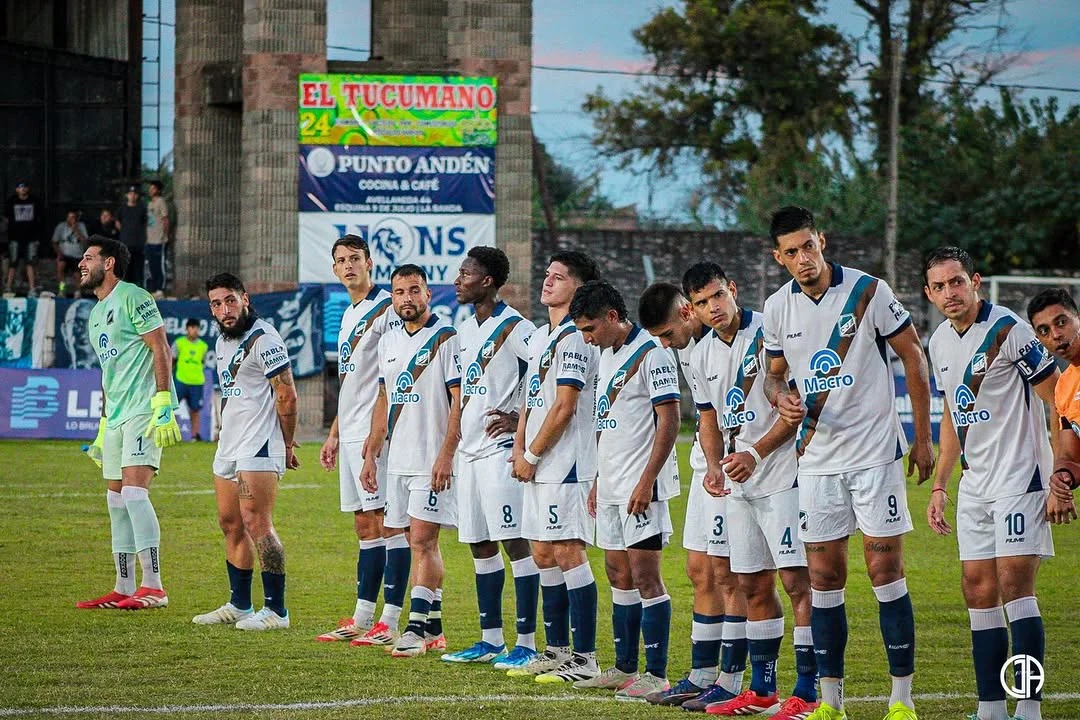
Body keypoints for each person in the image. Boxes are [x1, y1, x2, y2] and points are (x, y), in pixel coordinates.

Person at [762, 206, 934, 720]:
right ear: (779, 257)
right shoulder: (776, 308)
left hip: (875, 457)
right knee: (824, 578)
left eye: (807, 247)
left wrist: (921, 439)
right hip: (815, 461)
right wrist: (778, 397)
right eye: (790, 252)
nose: (802, 258)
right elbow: (773, 375)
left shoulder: (869, 292)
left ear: (822, 241)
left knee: (885, 571)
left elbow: (913, 359)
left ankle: (901, 699)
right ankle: (830, 701)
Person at [924, 248, 1060, 720]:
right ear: (929, 293)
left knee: (1015, 589)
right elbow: (950, 413)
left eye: (956, 282)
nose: (949, 293)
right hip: (975, 484)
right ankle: (990, 709)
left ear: (975, 282)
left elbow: (1059, 399)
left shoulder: (1009, 330)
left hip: (1020, 478)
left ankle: (1029, 708)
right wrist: (941, 484)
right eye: (939, 286)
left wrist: (1062, 474)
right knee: (976, 589)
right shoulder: (938, 341)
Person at [679, 263, 818, 719]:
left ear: (732, 289)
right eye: (702, 303)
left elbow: (794, 409)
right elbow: (707, 418)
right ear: (692, 309)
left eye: (718, 296)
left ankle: (808, 691)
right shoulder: (698, 356)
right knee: (751, 583)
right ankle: (761, 690)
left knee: (798, 583)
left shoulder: (770, 333)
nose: (713, 308)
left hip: (783, 479)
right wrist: (718, 465)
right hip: (739, 483)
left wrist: (755, 454)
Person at [567, 280, 680, 700]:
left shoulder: (653, 353)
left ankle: (657, 673)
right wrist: (598, 478)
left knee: (646, 577)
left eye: (590, 328)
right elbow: (608, 423)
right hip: (611, 485)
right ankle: (624, 668)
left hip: (640, 487)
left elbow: (668, 419)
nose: (586, 338)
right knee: (618, 574)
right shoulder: (607, 356)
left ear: (613, 317)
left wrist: (647, 480)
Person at [441, 246, 541, 668]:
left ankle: (528, 642)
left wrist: (520, 415)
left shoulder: (517, 327)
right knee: (479, 544)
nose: (458, 280)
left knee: (515, 543)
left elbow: (547, 374)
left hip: (501, 452)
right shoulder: (465, 330)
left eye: (466, 273)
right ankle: (490, 639)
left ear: (487, 281)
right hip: (470, 452)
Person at [507, 251, 601, 684]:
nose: (547, 282)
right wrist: (518, 446)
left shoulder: (579, 337)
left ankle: (585, 658)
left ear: (578, 289)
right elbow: (532, 400)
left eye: (558, 277)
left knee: (567, 551)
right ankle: (558, 650)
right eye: (547, 275)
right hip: (538, 461)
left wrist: (531, 454)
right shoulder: (545, 336)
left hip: (565, 464)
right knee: (542, 551)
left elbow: (565, 407)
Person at [75, 235, 181, 611]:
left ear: (110, 264)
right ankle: (123, 585)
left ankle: (154, 586)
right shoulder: (94, 313)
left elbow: (160, 347)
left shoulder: (135, 297)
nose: (81, 264)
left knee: (135, 494)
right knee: (115, 499)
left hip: (142, 410)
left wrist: (163, 401)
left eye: (89, 258)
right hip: (117, 417)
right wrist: (104, 423)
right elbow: (109, 372)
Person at [361, 264, 461, 658]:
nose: (406, 298)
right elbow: (383, 398)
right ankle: (435, 628)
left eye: (414, 290)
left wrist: (446, 453)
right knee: (398, 537)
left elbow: (459, 402)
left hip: (429, 459)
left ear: (427, 294)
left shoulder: (447, 337)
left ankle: (415, 630)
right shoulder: (388, 340)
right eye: (399, 292)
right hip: (396, 459)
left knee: (423, 541)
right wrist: (371, 454)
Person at [191, 273, 300, 631]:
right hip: (230, 445)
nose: (225, 309)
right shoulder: (224, 340)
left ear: (245, 299)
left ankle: (277, 611)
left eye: (230, 301)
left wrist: (286, 443)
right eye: (217, 304)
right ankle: (239, 604)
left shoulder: (263, 338)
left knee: (258, 524)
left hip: (260, 445)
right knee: (230, 523)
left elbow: (286, 394)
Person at [316, 235, 408, 647]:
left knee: (388, 524)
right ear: (334, 268)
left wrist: (377, 435)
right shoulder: (349, 314)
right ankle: (361, 616)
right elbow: (351, 382)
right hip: (350, 431)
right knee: (363, 525)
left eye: (355, 259)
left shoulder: (387, 307)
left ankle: (389, 621)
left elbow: (390, 376)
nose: (348, 266)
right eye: (341, 260)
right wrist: (334, 434)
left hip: (376, 433)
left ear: (369, 262)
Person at [1027, 288, 1080, 520]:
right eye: (1044, 331)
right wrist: (1063, 476)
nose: (1056, 334)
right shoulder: (1064, 387)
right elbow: (1070, 456)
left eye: (1061, 322)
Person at [172, 318, 209, 441]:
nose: (194, 330)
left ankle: (194, 435)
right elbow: (172, 360)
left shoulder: (203, 346)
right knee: (171, 407)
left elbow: (203, 362)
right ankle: (171, 433)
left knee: (195, 410)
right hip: (181, 380)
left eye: (197, 328)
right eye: (192, 327)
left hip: (197, 382)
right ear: (187, 329)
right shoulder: (179, 343)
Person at [4, 181, 42, 296]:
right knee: (13, 262)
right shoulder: (11, 201)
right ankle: (8, 288)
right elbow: (6, 218)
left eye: (25, 187)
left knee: (30, 262)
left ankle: (32, 289)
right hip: (15, 237)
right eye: (20, 187)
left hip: (30, 237)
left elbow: (39, 219)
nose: (23, 189)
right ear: (17, 190)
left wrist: (37, 237)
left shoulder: (34, 201)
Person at [116, 185, 147, 288]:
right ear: (127, 195)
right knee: (126, 268)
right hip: (125, 243)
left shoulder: (142, 208)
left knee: (138, 268)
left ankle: (139, 289)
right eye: (130, 194)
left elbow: (146, 223)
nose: (132, 196)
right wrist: (124, 231)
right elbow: (117, 221)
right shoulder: (122, 208)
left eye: (134, 194)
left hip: (138, 243)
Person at [52, 210, 87, 296]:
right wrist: (58, 253)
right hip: (64, 253)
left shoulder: (81, 226)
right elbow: (54, 241)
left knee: (77, 273)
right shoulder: (61, 226)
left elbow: (85, 241)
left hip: (77, 254)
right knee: (60, 267)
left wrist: (76, 230)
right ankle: (62, 290)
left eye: (73, 217)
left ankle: (78, 291)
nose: (71, 219)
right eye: (69, 217)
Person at [145, 181, 171, 297]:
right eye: (150, 188)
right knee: (152, 265)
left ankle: (161, 288)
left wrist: (165, 235)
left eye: (153, 188)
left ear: (158, 190)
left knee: (160, 264)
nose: (151, 190)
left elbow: (165, 219)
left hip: (159, 239)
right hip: (150, 239)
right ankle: (155, 289)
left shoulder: (161, 202)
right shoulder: (149, 203)